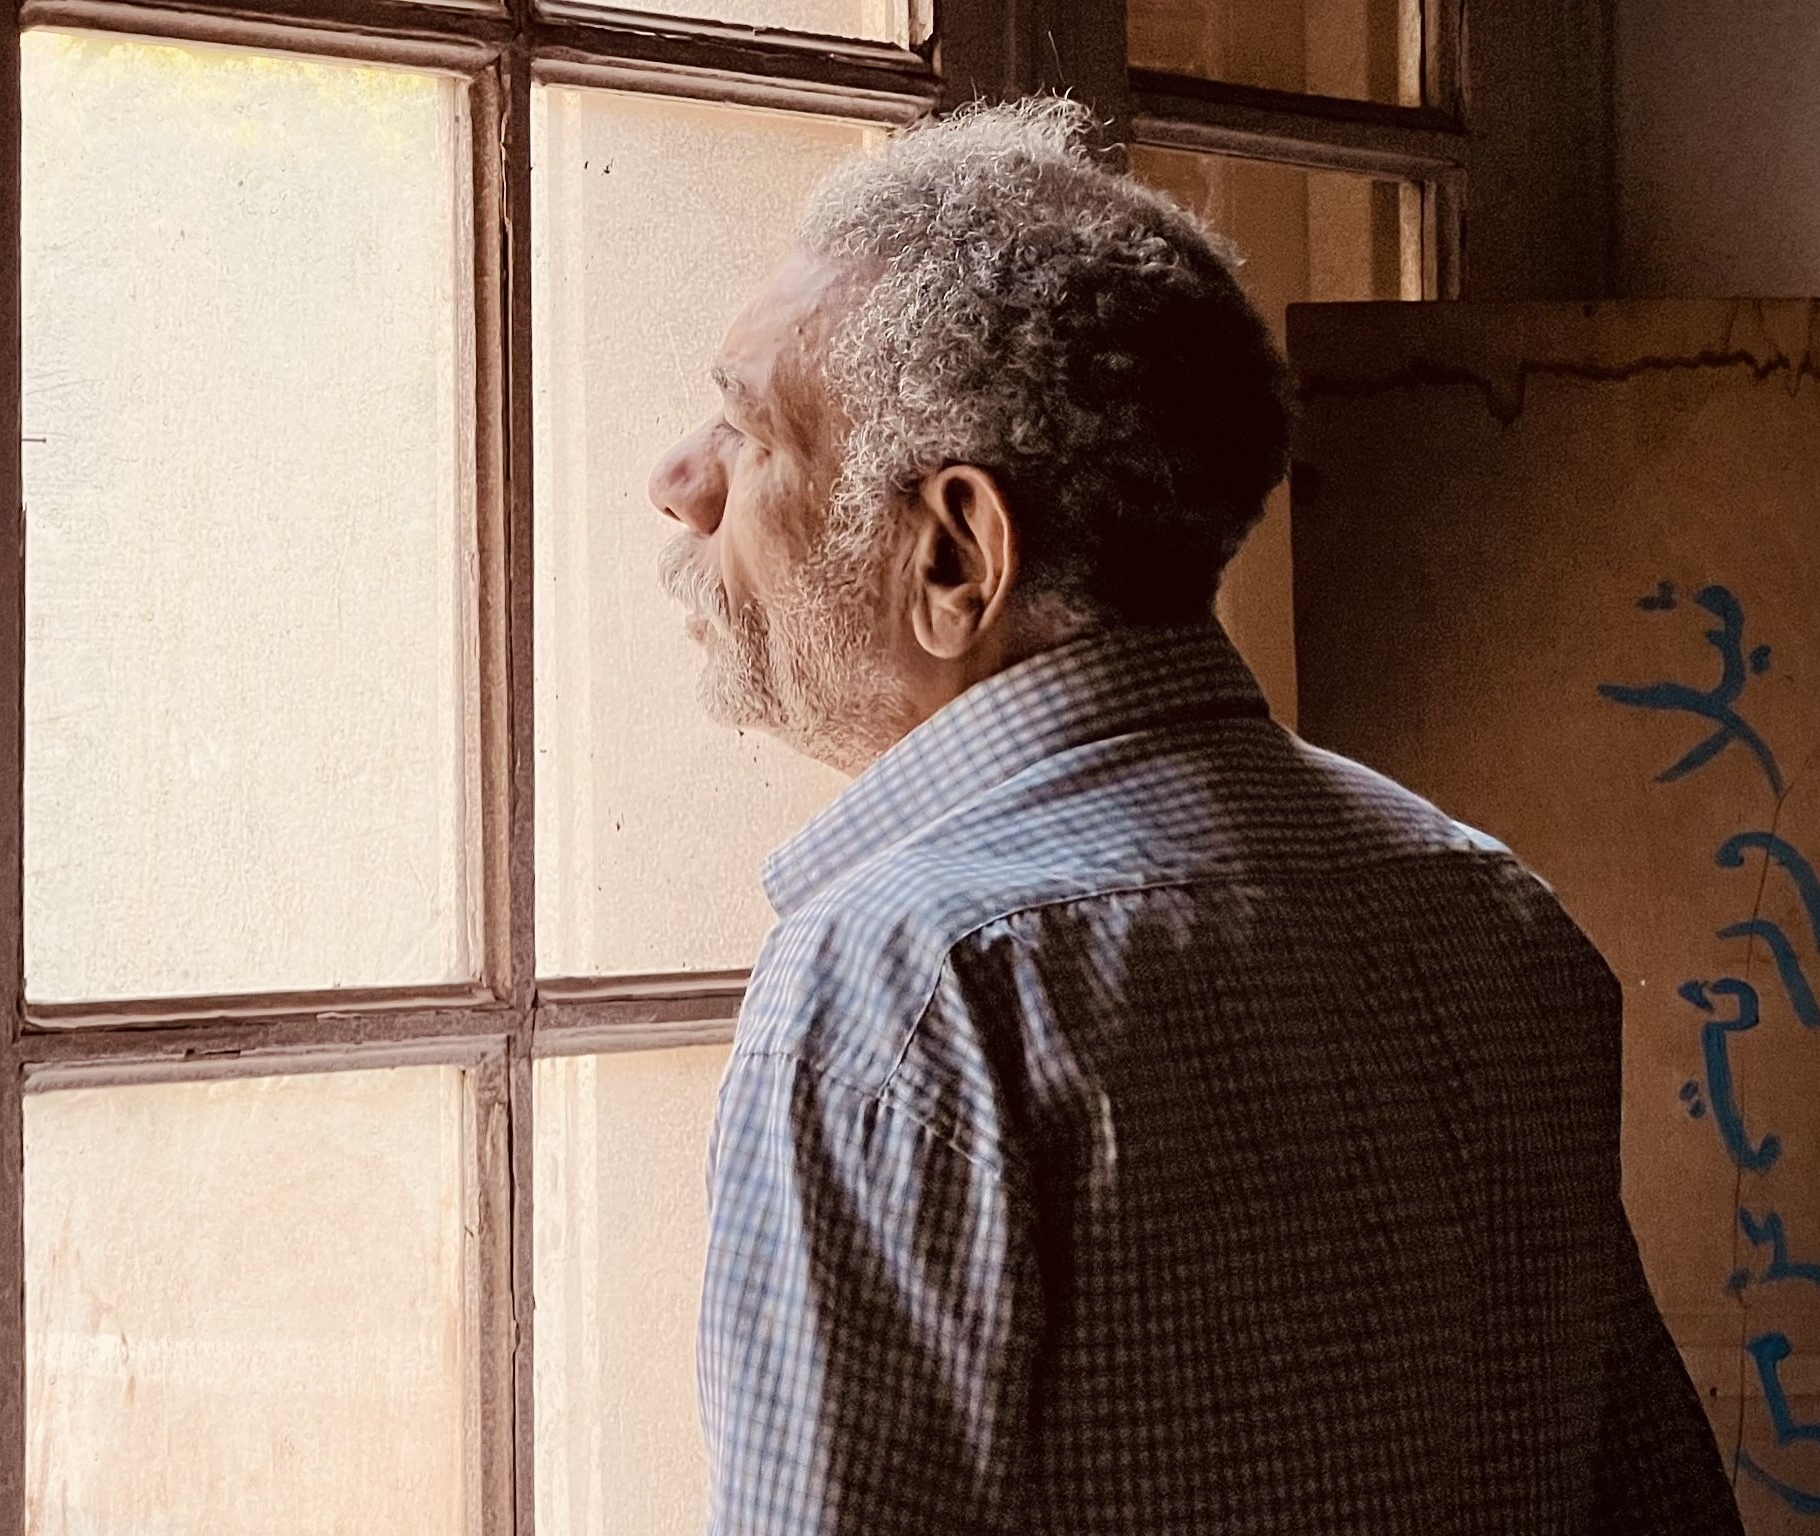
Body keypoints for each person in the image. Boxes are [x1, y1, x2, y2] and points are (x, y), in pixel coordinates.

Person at [653, 98, 1742, 1535]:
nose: (679, 480)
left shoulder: (911, 984)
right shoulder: (1483, 903)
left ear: (954, 552)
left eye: (746, 426)